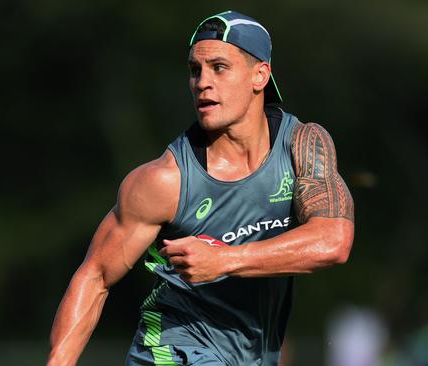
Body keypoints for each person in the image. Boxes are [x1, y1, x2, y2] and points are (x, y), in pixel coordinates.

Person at [47, 10, 354, 366]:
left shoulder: (303, 145)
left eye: (219, 68)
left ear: (260, 75)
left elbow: (333, 241)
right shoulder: (163, 180)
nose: (202, 83)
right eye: (196, 70)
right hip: (171, 350)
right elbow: (95, 275)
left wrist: (224, 260)